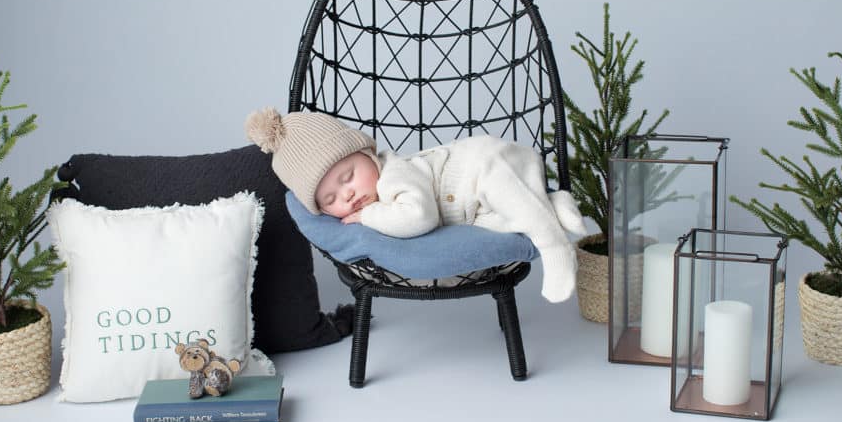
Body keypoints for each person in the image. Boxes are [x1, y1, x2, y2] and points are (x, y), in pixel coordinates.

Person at [245, 107, 587, 303]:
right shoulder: (372, 190)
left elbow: (420, 217)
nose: (347, 196)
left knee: (513, 203)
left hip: (488, 164)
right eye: (330, 199)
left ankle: (555, 247)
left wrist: (369, 215)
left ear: (367, 155)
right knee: (502, 222)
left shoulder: (394, 175)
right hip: (474, 207)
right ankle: (553, 205)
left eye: (348, 175)